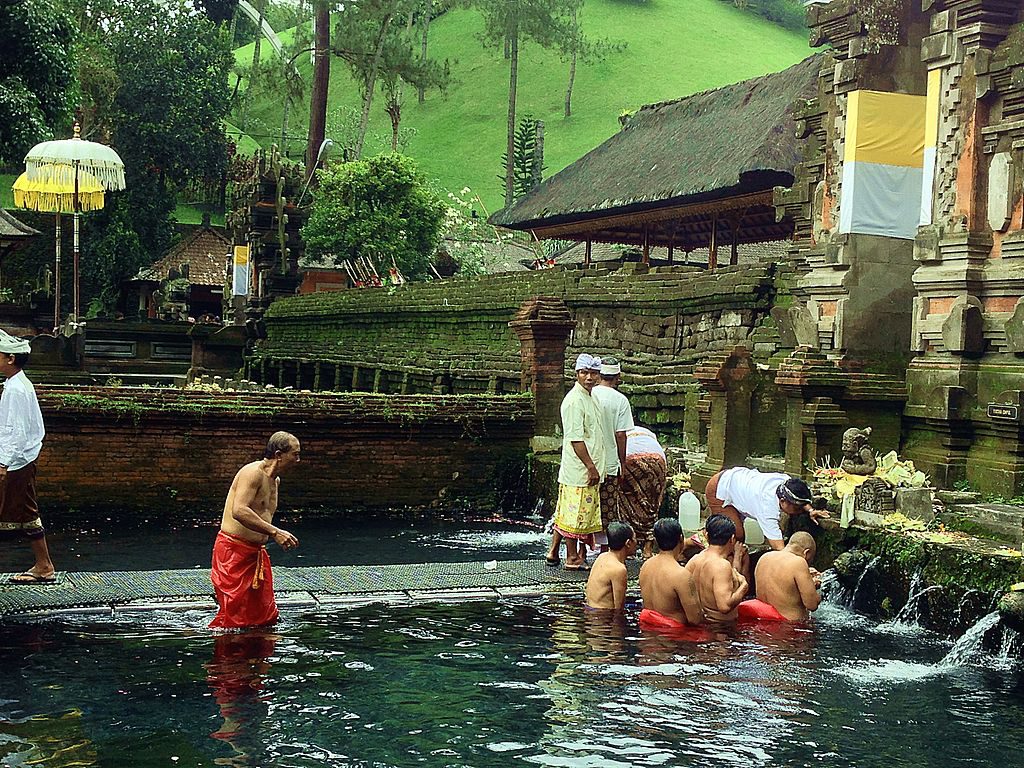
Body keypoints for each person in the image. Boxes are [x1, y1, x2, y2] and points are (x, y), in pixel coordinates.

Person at [210, 432, 301, 628]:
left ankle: (260, 657)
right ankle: (228, 657)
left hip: (256, 554)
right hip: (233, 552)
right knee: (234, 619)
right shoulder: (252, 473)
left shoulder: (275, 481)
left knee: (265, 616)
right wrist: (275, 532)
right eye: (295, 454)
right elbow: (239, 510)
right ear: (279, 454)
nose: (298, 460)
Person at [0, 330, 54, 584]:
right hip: (19, 459)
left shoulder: (16, 390)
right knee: (24, 511)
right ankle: (43, 565)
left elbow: (16, 431)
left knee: (25, 511)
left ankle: (44, 565)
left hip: (16, 461)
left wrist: (4, 463)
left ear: (10, 359)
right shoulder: (16, 384)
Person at [545, 353, 606, 571]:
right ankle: (571, 556)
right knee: (575, 514)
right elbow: (575, 439)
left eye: (593, 373)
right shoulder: (574, 401)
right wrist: (590, 466)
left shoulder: (592, 397)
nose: (589, 377)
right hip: (580, 469)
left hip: (589, 466)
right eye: (584, 373)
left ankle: (555, 552)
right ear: (577, 374)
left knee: (568, 511)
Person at [705, 467, 829, 552]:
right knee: (735, 536)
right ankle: (695, 543)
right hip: (720, 488)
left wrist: (811, 510)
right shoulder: (767, 510)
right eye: (797, 508)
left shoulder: (785, 482)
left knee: (735, 540)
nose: (800, 511)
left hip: (738, 481)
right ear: (782, 501)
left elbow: (799, 499)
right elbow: (779, 548)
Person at [590, 357, 634, 546]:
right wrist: (622, 463)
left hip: (588, 462)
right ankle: (606, 550)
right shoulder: (620, 400)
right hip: (609, 465)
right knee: (608, 509)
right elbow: (621, 435)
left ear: (599, 375)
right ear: (618, 377)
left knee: (587, 508)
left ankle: (582, 551)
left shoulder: (589, 395)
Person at [638, 518, 704, 630]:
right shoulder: (681, 575)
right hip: (675, 639)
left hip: (649, 634)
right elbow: (695, 619)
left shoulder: (645, 567)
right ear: (681, 539)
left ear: (655, 541)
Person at [616, 426, 668, 559]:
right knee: (652, 504)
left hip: (629, 458)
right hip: (658, 460)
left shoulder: (620, 431)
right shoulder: (647, 433)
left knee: (625, 501)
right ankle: (647, 549)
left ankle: (629, 548)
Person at [685, 515, 748, 623]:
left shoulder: (695, 560)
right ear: (732, 539)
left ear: (707, 536)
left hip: (701, 623)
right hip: (721, 629)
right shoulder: (722, 565)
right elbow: (724, 606)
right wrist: (744, 587)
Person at [745, 531, 821, 621]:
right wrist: (814, 587)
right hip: (790, 626)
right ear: (806, 553)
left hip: (761, 620)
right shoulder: (798, 562)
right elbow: (811, 605)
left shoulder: (764, 557)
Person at [584, 522, 636, 610]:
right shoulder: (619, 569)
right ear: (628, 543)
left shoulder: (602, 556)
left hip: (590, 610)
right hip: (603, 617)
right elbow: (619, 608)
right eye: (634, 539)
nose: (636, 542)